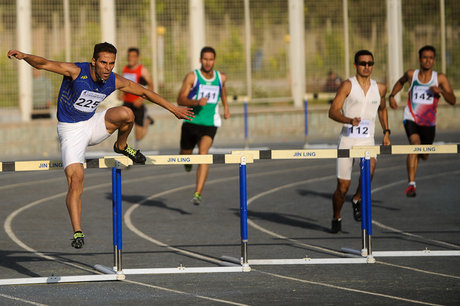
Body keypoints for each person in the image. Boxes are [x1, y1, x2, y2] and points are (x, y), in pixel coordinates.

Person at [8, 42, 193, 248]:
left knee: (127, 113)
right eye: (103, 62)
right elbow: (43, 64)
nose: (107, 68)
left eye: (111, 63)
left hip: (93, 123)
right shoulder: (76, 71)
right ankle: (78, 232)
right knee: (76, 180)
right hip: (71, 130)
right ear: (94, 61)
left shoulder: (112, 80)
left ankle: (121, 147)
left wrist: (173, 109)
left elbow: (144, 92)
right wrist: (24, 56)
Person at [328, 50, 390, 233]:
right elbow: (332, 111)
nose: (367, 67)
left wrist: (386, 132)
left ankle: (357, 198)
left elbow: (383, 109)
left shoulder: (380, 88)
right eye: (363, 63)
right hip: (347, 140)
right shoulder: (348, 85)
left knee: (370, 167)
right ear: (355, 65)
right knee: (342, 188)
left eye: (370, 63)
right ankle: (336, 216)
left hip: (366, 141)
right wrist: (349, 120)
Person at [389, 45, 456, 197]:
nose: (427, 60)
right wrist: (392, 95)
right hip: (411, 118)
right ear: (419, 59)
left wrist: (442, 92)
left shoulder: (440, 78)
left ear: (434, 60)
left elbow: (453, 100)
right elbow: (401, 81)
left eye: (431, 58)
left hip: (429, 123)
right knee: (415, 145)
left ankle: (420, 155)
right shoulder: (412, 74)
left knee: (424, 154)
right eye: (425, 57)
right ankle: (411, 184)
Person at [177, 46, 230, 205]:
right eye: (205, 59)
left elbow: (222, 91)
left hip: (209, 123)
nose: (208, 62)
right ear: (201, 60)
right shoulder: (192, 77)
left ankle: (198, 192)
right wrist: (196, 102)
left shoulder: (221, 77)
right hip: (191, 122)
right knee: (185, 155)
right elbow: (180, 100)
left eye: (211, 59)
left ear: (214, 60)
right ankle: (187, 162)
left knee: (204, 154)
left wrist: (226, 107)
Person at [120, 47, 155, 144]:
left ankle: (147, 122)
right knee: (123, 126)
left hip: (138, 104)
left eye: (133, 56)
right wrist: (122, 94)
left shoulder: (142, 70)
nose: (131, 58)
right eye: (129, 56)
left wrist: (141, 99)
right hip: (127, 103)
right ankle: (123, 146)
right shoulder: (125, 69)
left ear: (137, 58)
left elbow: (151, 86)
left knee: (138, 136)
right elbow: (124, 84)